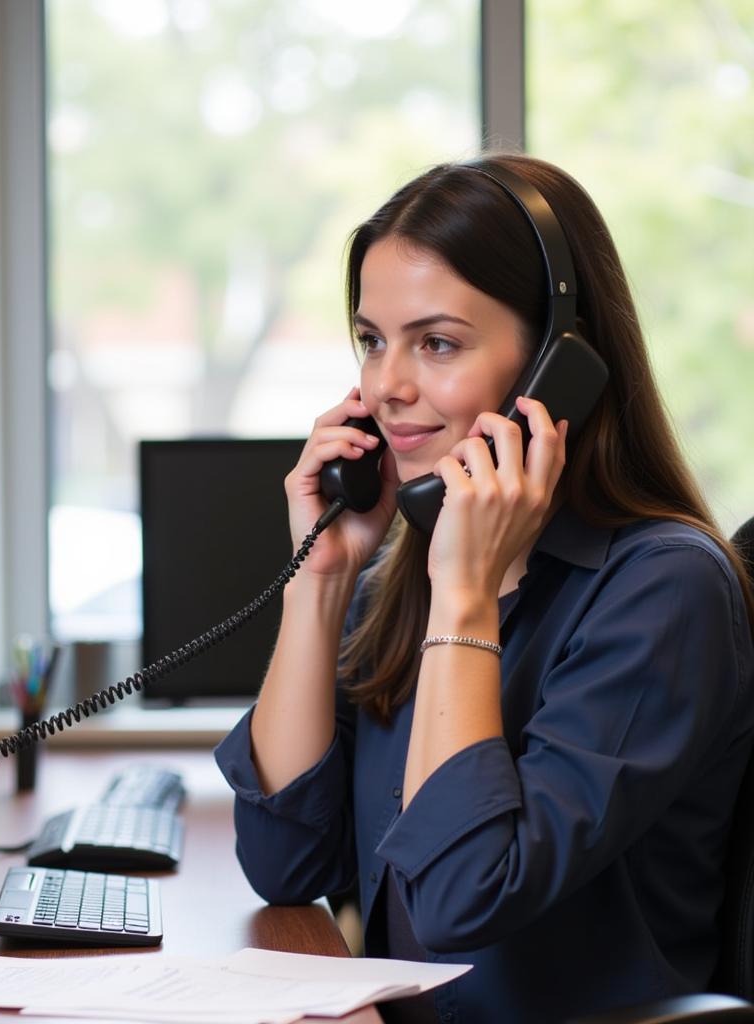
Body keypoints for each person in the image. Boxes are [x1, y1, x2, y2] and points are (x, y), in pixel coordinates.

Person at [214, 154, 754, 1024]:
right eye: (371, 340)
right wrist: (319, 580)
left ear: (557, 366)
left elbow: (463, 898)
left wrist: (465, 597)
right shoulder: (405, 575)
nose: (388, 386)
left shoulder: (664, 590)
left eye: (436, 343)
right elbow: (283, 861)